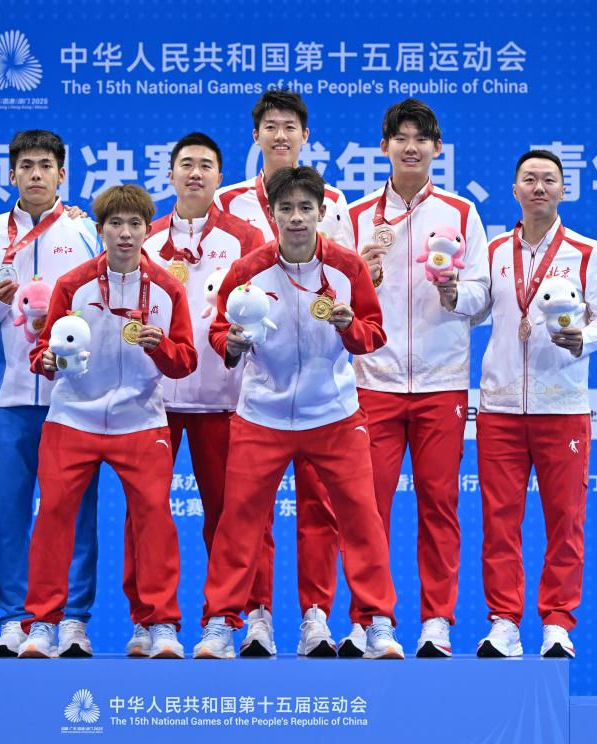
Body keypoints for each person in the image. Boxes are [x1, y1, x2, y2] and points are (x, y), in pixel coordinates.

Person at [194, 166, 403, 660]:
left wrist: (350, 327)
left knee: (361, 520)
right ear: (272, 214)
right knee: (238, 522)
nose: (295, 218)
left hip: (333, 414)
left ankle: (374, 621)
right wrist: (232, 344)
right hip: (262, 415)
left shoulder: (348, 268)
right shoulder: (247, 271)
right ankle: (223, 622)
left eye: (305, 208)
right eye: (285, 208)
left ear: (321, 213)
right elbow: (220, 331)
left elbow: (373, 334)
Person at [18, 184, 197, 659]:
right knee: (54, 516)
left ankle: (159, 624)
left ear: (148, 230)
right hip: (72, 419)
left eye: (135, 224)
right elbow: (42, 351)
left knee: (154, 520)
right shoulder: (72, 284)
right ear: (100, 230)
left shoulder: (168, 288)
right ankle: (43, 623)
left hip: (140, 420)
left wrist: (161, 347)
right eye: (115, 224)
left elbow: (186, 362)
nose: (125, 233)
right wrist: (46, 361)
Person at [345, 98, 489, 658]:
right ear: (383, 147)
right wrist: (364, 272)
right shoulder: (357, 214)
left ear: (436, 148)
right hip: (373, 380)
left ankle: (437, 621)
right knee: (367, 509)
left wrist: (455, 294)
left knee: (439, 506)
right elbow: (334, 296)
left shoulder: (461, 213)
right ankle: (370, 619)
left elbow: (483, 297)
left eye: (421, 138)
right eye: (400, 138)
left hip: (441, 382)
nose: (411, 147)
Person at [213, 89, 347, 656]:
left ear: (305, 136)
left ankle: (316, 615)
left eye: (291, 127)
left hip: (318, 386)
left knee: (321, 507)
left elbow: (348, 280)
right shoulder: (226, 202)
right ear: (256, 136)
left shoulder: (333, 200)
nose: (281, 135)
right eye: (271, 126)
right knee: (252, 511)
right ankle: (256, 614)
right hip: (250, 385)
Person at [475, 150, 597, 659]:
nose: (539, 187)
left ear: (564, 190)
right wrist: (450, 292)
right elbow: (472, 310)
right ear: (514, 190)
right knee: (499, 521)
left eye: (549, 180)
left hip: (562, 406)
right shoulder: (493, 251)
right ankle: (504, 622)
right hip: (499, 408)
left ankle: (558, 623)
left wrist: (584, 339)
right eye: (529, 179)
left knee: (566, 520)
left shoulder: (586, 251)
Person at [0, 130, 103, 657]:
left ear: (62, 174)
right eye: (25, 165)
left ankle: (72, 618)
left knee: (74, 514)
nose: (35, 174)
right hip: (6, 399)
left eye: (45, 165)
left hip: (71, 399)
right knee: (9, 515)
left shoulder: (87, 232)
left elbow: (104, 307)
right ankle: (15, 618)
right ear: (10, 174)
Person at [139, 132, 265, 653]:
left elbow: (263, 309)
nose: (195, 173)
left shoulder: (245, 238)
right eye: (186, 164)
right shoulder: (143, 236)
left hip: (225, 397)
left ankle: (240, 618)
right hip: (152, 402)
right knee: (148, 514)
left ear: (220, 177)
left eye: (205, 165)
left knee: (234, 516)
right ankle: (152, 621)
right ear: (169, 174)